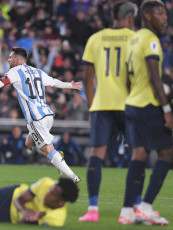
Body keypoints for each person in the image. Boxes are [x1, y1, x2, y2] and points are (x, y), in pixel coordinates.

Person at [0, 47, 82, 183]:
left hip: (36, 118)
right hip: (47, 115)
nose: (8, 59)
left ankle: (72, 177)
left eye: (10, 57)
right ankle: (57, 157)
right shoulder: (37, 71)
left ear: (17, 60)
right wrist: (70, 85)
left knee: (47, 149)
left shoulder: (15, 71)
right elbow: (54, 81)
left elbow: (0, 82)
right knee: (29, 143)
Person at [78, 1, 137, 222]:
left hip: (102, 104)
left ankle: (92, 209)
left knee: (97, 155)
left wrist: (92, 106)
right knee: (137, 155)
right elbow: (134, 77)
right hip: (129, 105)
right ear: (130, 18)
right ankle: (132, 208)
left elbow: (87, 77)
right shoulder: (134, 39)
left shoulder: (96, 38)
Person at [118, 0, 172, 226]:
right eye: (160, 13)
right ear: (147, 16)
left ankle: (127, 211)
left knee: (139, 155)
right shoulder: (150, 39)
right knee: (167, 154)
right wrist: (167, 109)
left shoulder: (133, 38)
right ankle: (146, 207)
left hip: (131, 104)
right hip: (148, 104)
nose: (165, 18)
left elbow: (129, 77)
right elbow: (154, 76)